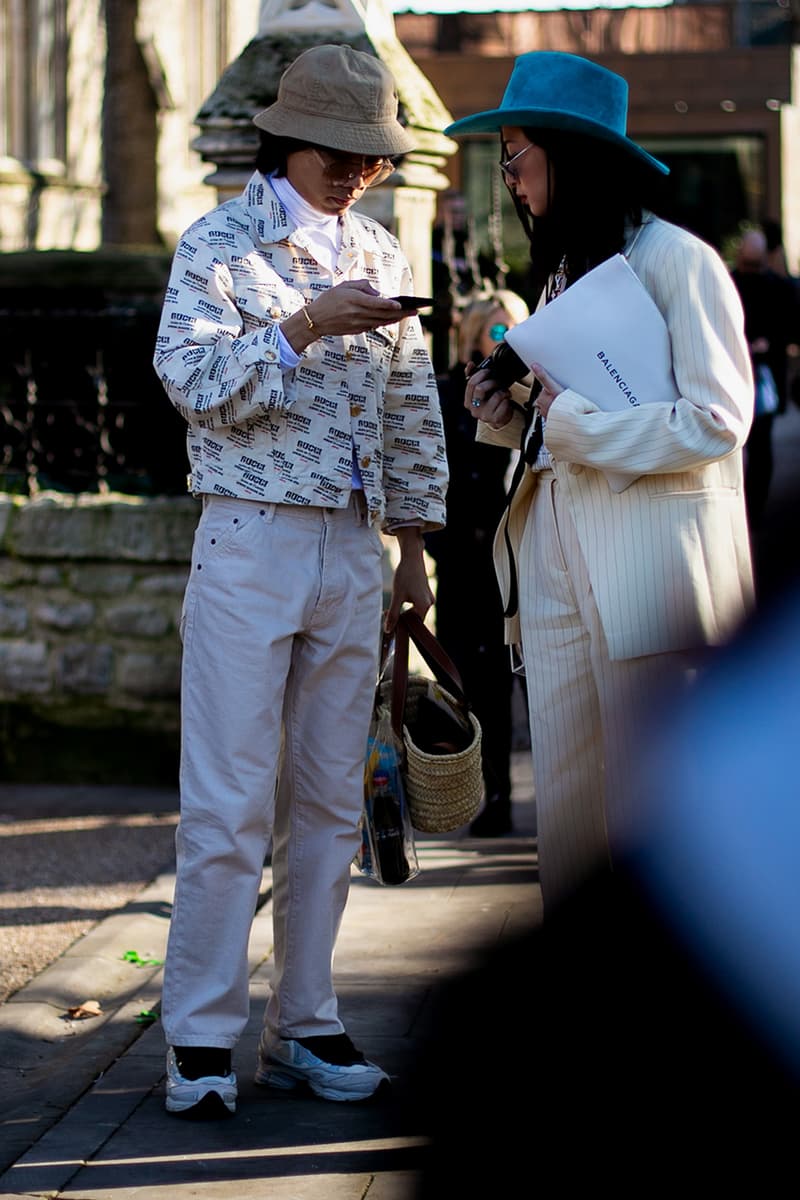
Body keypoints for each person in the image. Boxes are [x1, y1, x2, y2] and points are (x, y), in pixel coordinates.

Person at [152, 43, 447, 1119]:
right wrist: (303, 323)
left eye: (373, 157)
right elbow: (191, 385)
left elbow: (411, 409)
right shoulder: (218, 243)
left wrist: (413, 554)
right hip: (248, 539)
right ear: (290, 139)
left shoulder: (376, 242)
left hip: (354, 550)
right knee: (227, 801)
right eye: (341, 153)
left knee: (326, 803)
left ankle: (306, 1020)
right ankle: (197, 1035)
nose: (357, 174)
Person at [444, 50, 755, 912]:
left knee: (653, 816)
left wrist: (573, 423)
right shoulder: (559, 275)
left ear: (566, 153)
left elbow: (719, 420)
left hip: (651, 570)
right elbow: (562, 430)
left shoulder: (680, 262)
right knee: (571, 809)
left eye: (515, 154)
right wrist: (507, 413)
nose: (509, 178)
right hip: (553, 560)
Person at [424, 290, 530, 836]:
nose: (503, 342)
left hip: (526, 553)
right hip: (468, 556)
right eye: (494, 332)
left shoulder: (543, 395)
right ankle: (489, 798)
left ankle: (550, 793)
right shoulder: (447, 394)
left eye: (513, 332)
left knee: (532, 679)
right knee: (474, 682)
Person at [731, 227, 798, 526]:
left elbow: (790, 328)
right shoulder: (729, 282)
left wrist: (768, 343)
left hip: (765, 376)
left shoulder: (779, 288)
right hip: (734, 371)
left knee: (760, 444)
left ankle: (753, 510)